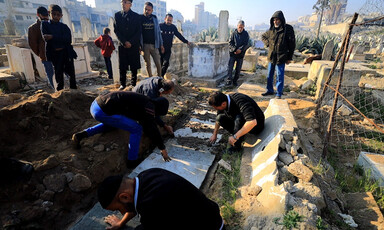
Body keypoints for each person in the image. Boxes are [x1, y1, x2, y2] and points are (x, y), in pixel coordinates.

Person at [98, 168, 224, 230]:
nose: (121, 213)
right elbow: (132, 204)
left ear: (124, 196)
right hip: (211, 217)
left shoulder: (151, 204)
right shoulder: (145, 176)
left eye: (119, 209)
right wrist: (121, 223)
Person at [71, 91, 171, 168]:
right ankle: (132, 161)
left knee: (114, 124)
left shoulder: (146, 101)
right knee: (136, 129)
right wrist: (162, 148)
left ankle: (81, 135)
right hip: (102, 111)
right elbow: (152, 128)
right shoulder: (149, 108)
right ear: (159, 109)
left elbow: (150, 120)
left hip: (96, 105)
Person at [42, 4, 77, 91]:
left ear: (61, 16)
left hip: (66, 53)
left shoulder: (64, 27)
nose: (56, 16)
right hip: (55, 54)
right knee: (58, 74)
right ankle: (60, 93)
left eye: (58, 15)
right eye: (54, 14)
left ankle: (74, 92)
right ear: (49, 13)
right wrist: (59, 38)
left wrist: (53, 37)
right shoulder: (45, 25)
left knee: (71, 74)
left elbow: (68, 39)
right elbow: (46, 38)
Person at [261, 10, 295, 99]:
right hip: (271, 56)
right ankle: (269, 90)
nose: (275, 21)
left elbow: (292, 44)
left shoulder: (288, 29)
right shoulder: (271, 30)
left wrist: (289, 57)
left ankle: (279, 93)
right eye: (274, 20)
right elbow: (263, 36)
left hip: (281, 57)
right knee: (269, 75)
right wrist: (267, 43)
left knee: (280, 75)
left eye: (277, 20)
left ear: (281, 20)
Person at [114, 0, 142, 89]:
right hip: (122, 45)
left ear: (130, 4)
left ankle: (133, 83)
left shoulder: (136, 16)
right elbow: (116, 30)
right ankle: (123, 83)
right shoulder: (117, 15)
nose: (123, 4)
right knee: (123, 66)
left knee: (134, 66)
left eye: (126, 2)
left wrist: (131, 42)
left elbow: (138, 31)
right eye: (122, 2)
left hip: (133, 45)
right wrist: (124, 41)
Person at [28, 6, 54, 89]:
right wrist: (41, 53)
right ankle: (57, 92)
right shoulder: (33, 28)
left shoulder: (52, 24)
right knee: (50, 74)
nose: (46, 17)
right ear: (38, 15)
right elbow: (33, 44)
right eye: (44, 15)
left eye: (47, 15)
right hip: (45, 55)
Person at [140, 2, 164, 77]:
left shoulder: (154, 18)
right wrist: (139, 46)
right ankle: (150, 79)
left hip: (154, 45)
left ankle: (159, 78)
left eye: (149, 10)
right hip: (145, 45)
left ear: (152, 10)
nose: (147, 11)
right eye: (145, 9)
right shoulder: (140, 18)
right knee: (148, 64)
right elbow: (138, 33)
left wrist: (161, 44)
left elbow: (158, 32)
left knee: (158, 63)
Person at [225, 20, 250, 87]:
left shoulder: (246, 34)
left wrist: (240, 50)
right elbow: (230, 43)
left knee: (238, 69)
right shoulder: (233, 33)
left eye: (241, 27)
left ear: (243, 27)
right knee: (230, 68)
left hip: (240, 55)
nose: (240, 29)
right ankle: (229, 81)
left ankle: (235, 81)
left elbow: (246, 44)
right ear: (237, 26)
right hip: (233, 53)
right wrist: (235, 49)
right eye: (239, 27)